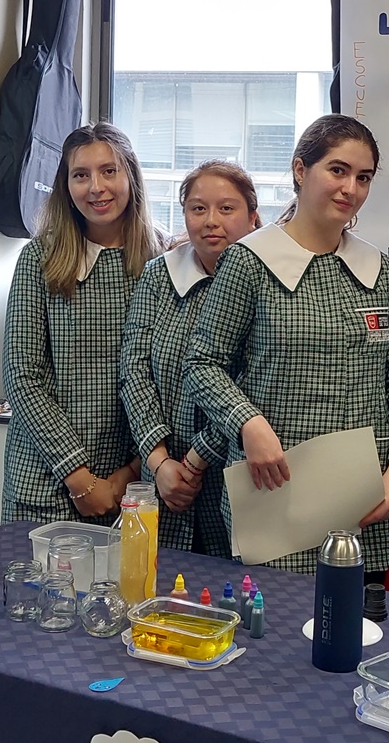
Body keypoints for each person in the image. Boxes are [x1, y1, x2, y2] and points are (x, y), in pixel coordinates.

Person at [184, 114, 389, 574]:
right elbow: (203, 363)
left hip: (363, 502)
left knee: (356, 637)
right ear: (300, 170)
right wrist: (247, 423)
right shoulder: (249, 262)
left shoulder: (377, 269)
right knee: (272, 638)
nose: (350, 188)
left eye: (363, 177)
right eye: (337, 170)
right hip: (275, 497)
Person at [1, 123, 163, 525]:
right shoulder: (40, 258)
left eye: (109, 171)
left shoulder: (163, 261)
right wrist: (80, 479)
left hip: (132, 487)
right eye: (81, 175)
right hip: (45, 485)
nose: (96, 187)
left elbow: (168, 381)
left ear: (131, 175)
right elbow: (23, 377)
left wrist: (129, 474)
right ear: (66, 186)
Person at [119, 160, 262, 557]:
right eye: (198, 208)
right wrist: (160, 461)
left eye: (227, 208)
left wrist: (196, 462)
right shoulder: (158, 276)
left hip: (232, 477)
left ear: (253, 217)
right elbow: (134, 372)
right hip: (162, 480)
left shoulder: (267, 282)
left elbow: (255, 383)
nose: (211, 221)